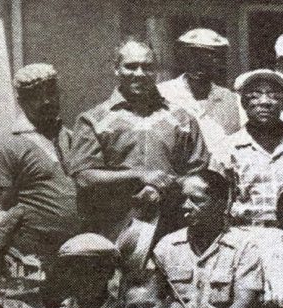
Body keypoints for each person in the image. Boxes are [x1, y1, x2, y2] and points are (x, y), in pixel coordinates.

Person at [69, 39, 209, 267]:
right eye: (131, 66)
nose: (140, 73)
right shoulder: (94, 119)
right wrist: (140, 175)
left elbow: (199, 175)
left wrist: (165, 187)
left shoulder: (182, 119)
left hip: (171, 230)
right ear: (116, 69)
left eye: (147, 67)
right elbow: (84, 177)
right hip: (111, 230)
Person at [152, 169, 263, 308]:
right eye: (183, 199)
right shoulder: (167, 246)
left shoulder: (243, 247)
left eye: (196, 200)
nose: (186, 206)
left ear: (220, 204)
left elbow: (245, 302)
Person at [0, 63, 80, 286]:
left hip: (73, 254)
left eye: (51, 92)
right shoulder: (5, 144)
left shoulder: (70, 137)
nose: (46, 101)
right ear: (21, 101)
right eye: (35, 95)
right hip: (32, 258)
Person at [211, 69, 283, 237]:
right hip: (246, 241)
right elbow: (214, 208)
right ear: (243, 103)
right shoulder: (227, 150)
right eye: (255, 96)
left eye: (273, 95)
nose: (264, 102)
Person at [157, 28, 241, 155]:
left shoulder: (232, 100)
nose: (201, 62)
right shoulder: (163, 93)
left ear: (220, 62)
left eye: (210, 56)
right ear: (183, 58)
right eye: (195, 55)